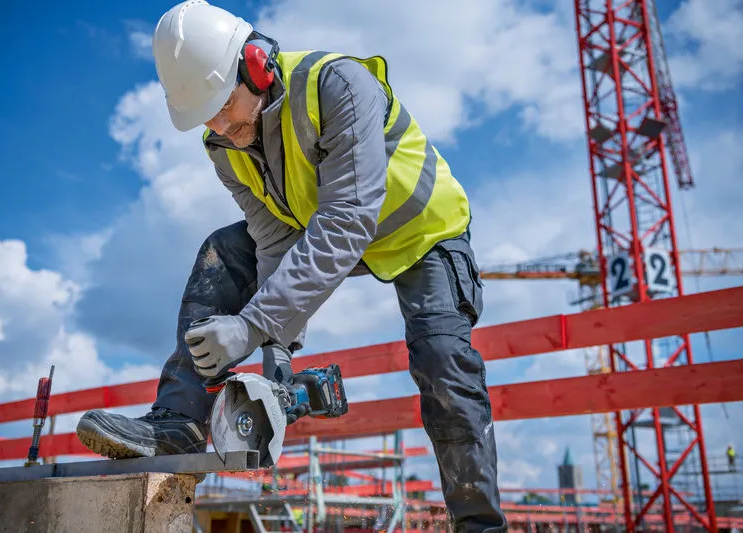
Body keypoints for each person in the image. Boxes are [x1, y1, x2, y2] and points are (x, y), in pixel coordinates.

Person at [76, 1, 507, 530]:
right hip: (327, 228)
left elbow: (348, 219)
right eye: (205, 116)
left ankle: (479, 524)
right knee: (225, 250)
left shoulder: (340, 87)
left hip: (421, 230)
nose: (218, 125)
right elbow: (272, 238)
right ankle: (179, 419)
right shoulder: (224, 143)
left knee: (443, 361)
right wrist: (277, 351)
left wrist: (253, 327)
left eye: (223, 105)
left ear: (255, 66)